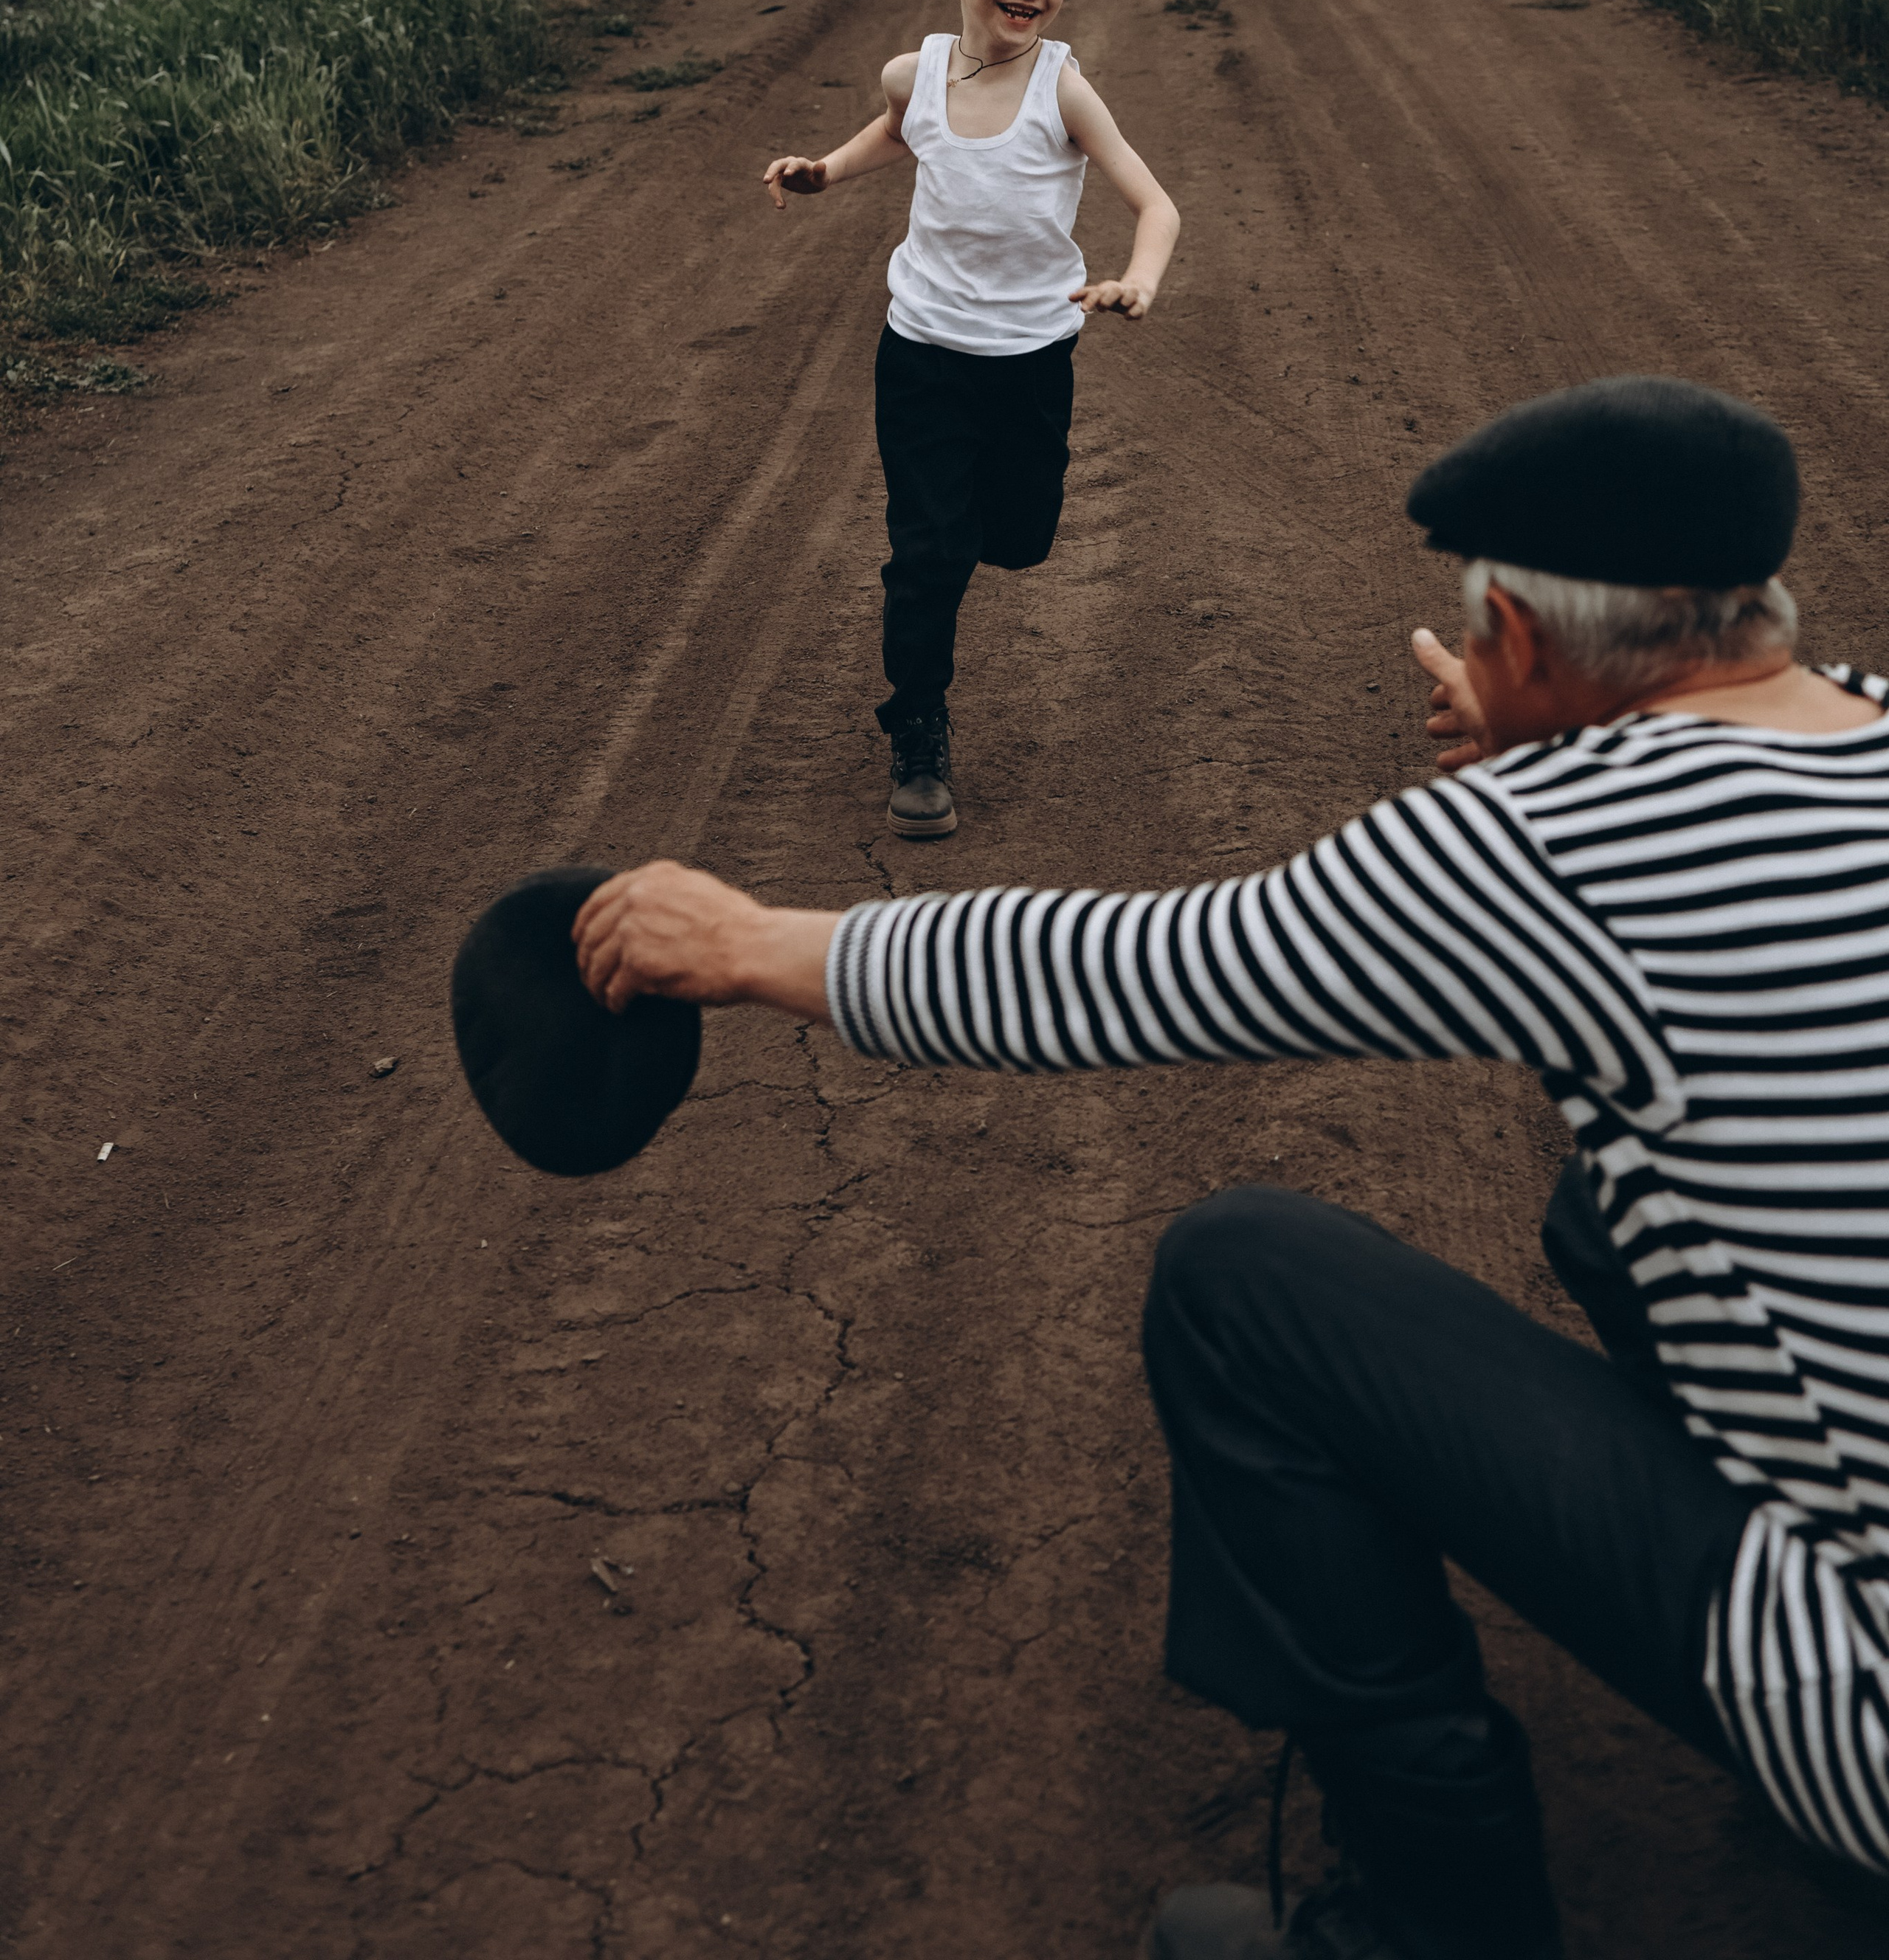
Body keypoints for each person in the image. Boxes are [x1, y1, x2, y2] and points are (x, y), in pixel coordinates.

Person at [574, 375, 1889, 1959]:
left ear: (1528, 646)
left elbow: (1133, 971)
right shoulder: (1842, 727)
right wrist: (1546, 723)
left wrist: (753, 943)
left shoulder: (1556, 837)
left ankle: (1426, 1926)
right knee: (1606, 1210)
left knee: (1240, 1279)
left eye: (1480, 642)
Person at [762, 0, 1180, 838]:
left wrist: (1137, 280)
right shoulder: (918, 72)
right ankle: (917, 728)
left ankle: (960, 544)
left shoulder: (1063, 93)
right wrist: (822, 169)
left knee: (1024, 540)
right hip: (923, 353)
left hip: (1034, 356)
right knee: (929, 551)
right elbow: (897, 130)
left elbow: (1156, 203)